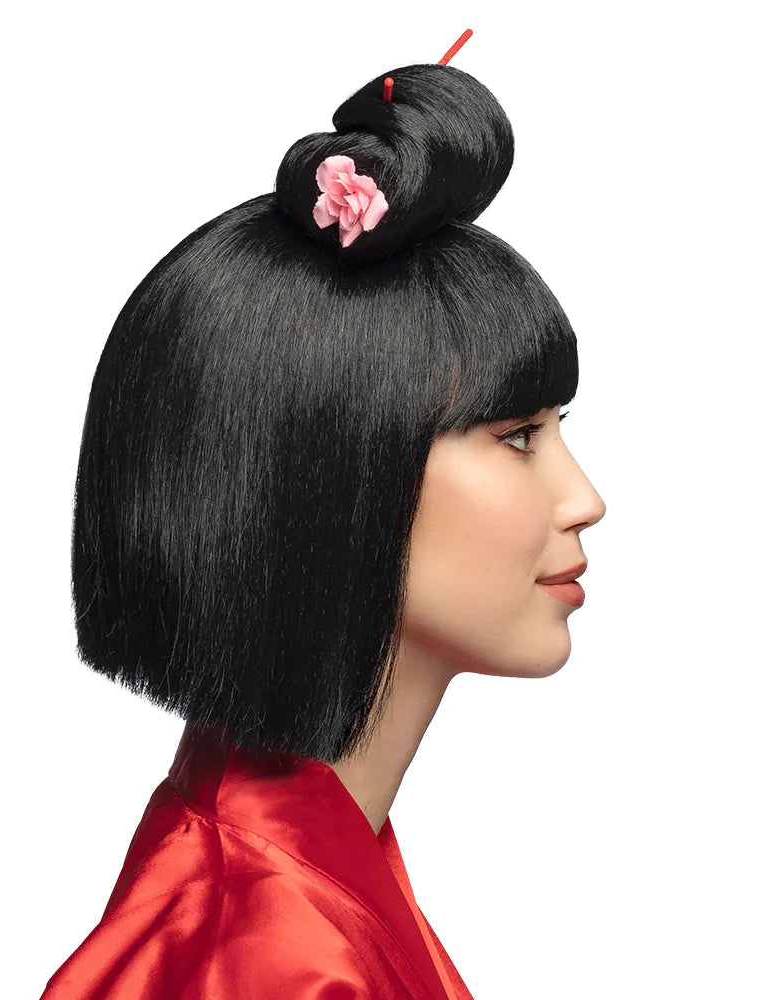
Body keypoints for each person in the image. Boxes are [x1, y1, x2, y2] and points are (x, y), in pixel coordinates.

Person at [39, 34, 606, 1000]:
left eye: (559, 430)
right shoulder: (272, 959)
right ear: (329, 474)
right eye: (517, 436)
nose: (584, 498)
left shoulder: (296, 864)